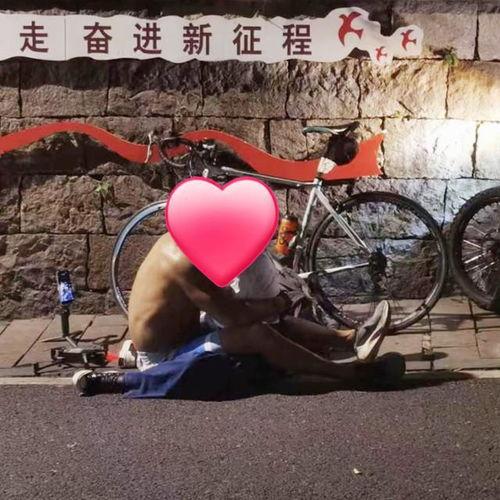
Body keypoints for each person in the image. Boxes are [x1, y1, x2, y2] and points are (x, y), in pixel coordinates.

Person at [73, 234, 394, 397]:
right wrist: (276, 303)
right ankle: (345, 374)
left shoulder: (183, 243)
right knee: (257, 332)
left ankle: (350, 339)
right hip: (163, 357)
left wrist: (270, 306)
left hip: (185, 332)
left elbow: (225, 304)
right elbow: (235, 317)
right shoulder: (185, 262)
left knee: (270, 322)